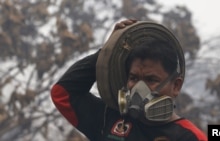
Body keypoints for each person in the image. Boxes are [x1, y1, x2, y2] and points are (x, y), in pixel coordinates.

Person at [50, 19, 208, 141]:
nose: (139, 87)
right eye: (133, 78)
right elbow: (63, 93)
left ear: (176, 85)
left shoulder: (189, 137)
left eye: (151, 79)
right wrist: (107, 52)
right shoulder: (108, 118)